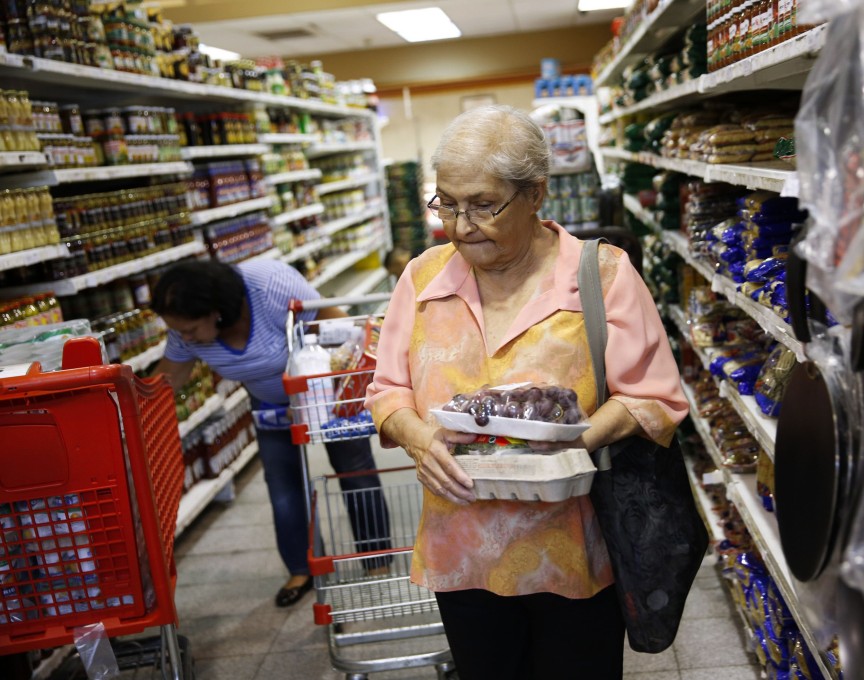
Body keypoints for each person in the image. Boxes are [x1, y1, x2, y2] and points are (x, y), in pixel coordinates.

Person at [364, 105, 688, 679]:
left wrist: (574, 439)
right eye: (447, 204)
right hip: (460, 549)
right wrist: (418, 440)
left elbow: (654, 396)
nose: (461, 226)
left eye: (484, 205)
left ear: (535, 194)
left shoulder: (602, 275)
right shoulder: (421, 279)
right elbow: (388, 390)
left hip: (573, 548)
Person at [151, 258, 391, 608]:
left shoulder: (270, 286)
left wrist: (324, 386)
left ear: (215, 311)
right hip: (269, 405)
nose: (184, 338)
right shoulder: (185, 323)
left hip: (327, 391)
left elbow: (340, 327)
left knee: (355, 470)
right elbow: (168, 378)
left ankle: (377, 559)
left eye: (189, 330)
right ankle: (302, 567)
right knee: (282, 485)